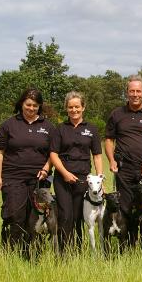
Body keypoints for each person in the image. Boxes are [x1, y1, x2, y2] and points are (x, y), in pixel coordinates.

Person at [0, 88, 56, 258]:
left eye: (35, 105)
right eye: (28, 104)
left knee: (36, 218)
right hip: (13, 177)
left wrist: (46, 168)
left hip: (39, 179)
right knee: (14, 215)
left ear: (39, 106)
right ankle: (11, 254)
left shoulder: (48, 126)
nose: (31, 108)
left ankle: (34, 255)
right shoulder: (8, 125)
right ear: (21, 104)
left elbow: (53, 154)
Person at [104, 75, 142, 248]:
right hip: (124, 170)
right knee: (125, 207)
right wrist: (112, 160)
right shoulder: (117, 114)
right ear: (127, 93)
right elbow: (108, 140)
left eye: (138, 91)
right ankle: (129, 244)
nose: (135, 94)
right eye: (132, 91)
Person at [49, 91, 103, 253]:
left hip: (82, 179)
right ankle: (64, 252)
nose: (74, 110)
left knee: (80, 216)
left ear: (83, 107)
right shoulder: (59, 129)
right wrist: (65, 173)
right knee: (66, 216)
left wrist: (100, 180)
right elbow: (53, 154)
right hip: (62, 178)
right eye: (71, 107)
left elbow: (97, 156)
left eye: (77, 107)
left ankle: (78, 251)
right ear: (66, 108)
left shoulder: (91, 129)